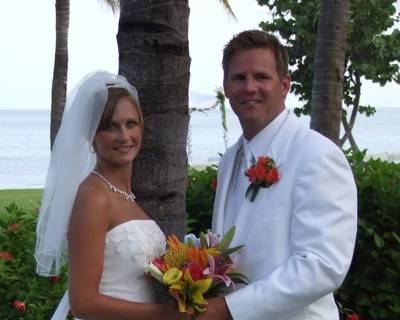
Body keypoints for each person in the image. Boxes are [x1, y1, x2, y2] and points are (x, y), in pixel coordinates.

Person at [198, 30, 357, 320]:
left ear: (284, 85)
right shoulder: (231, 159)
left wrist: (229, 309)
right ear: (226, 86)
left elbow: (323, 265)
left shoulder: (316, 155)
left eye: (261, 77)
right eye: (238, 78)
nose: (249, 87)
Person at [34, 71, 187, 320]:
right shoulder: (94, 198)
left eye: (131, 124)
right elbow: (83, 303)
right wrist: (163, 314)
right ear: (92, 136)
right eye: (111, 127)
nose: (124, 137)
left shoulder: (126, 197)